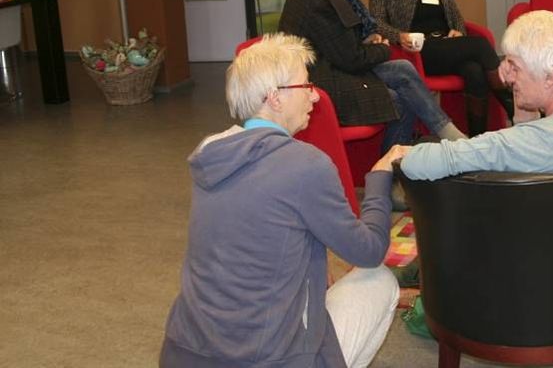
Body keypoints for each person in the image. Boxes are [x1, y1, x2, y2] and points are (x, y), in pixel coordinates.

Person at [159, 33, 398, 368]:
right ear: (274, 97)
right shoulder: (305, 165)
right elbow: (369, 250)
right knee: (380, 280)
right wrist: (379, 178)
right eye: (306, 86)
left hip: (185, 353)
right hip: (267, 359)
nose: (314, 96)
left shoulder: (210, 151)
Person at [380, 10, 553, 180]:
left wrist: (396, 155)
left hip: (530, 251)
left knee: (425, 146)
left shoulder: (530, 143)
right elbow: (532, 141)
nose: (507, 77)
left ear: (550, 76)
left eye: (515, 67)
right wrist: (522, 105)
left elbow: (438, 161)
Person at [279, 0, 466, 150]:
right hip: (321, 81)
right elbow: (351, 59)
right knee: (397, 99)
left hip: (331, 67)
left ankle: (445, 132)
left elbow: (339, 44)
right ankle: (393, 165)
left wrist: (367, 40)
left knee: (403, 69)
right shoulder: (321, 1)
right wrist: (384, 48)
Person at [369, 0, 515, 136]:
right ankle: (516, 107)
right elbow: (376, 21)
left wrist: (458, 31)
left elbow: (453, 11)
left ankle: (477, 139)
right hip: (414, 50)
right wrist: (400, 37)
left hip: (446, 46)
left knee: (474, 71)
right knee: (480, 46)